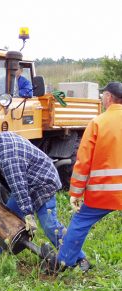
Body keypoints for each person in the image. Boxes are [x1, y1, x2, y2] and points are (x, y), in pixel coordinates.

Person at [0, 124, 89, 271]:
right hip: (30, 181)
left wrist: (28, 215)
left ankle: (80, 258)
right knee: (5, 218)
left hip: (43, 184)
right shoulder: (1, 138)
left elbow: (19, 187)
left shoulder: (9, 159)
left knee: (50, 225)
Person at [51, 81, 122, 273]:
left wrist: (76, 192)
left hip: (105, 191)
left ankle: (63, 262)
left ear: (108, 97)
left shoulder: (98, 122)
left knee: (80, 222)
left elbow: (83, 162)